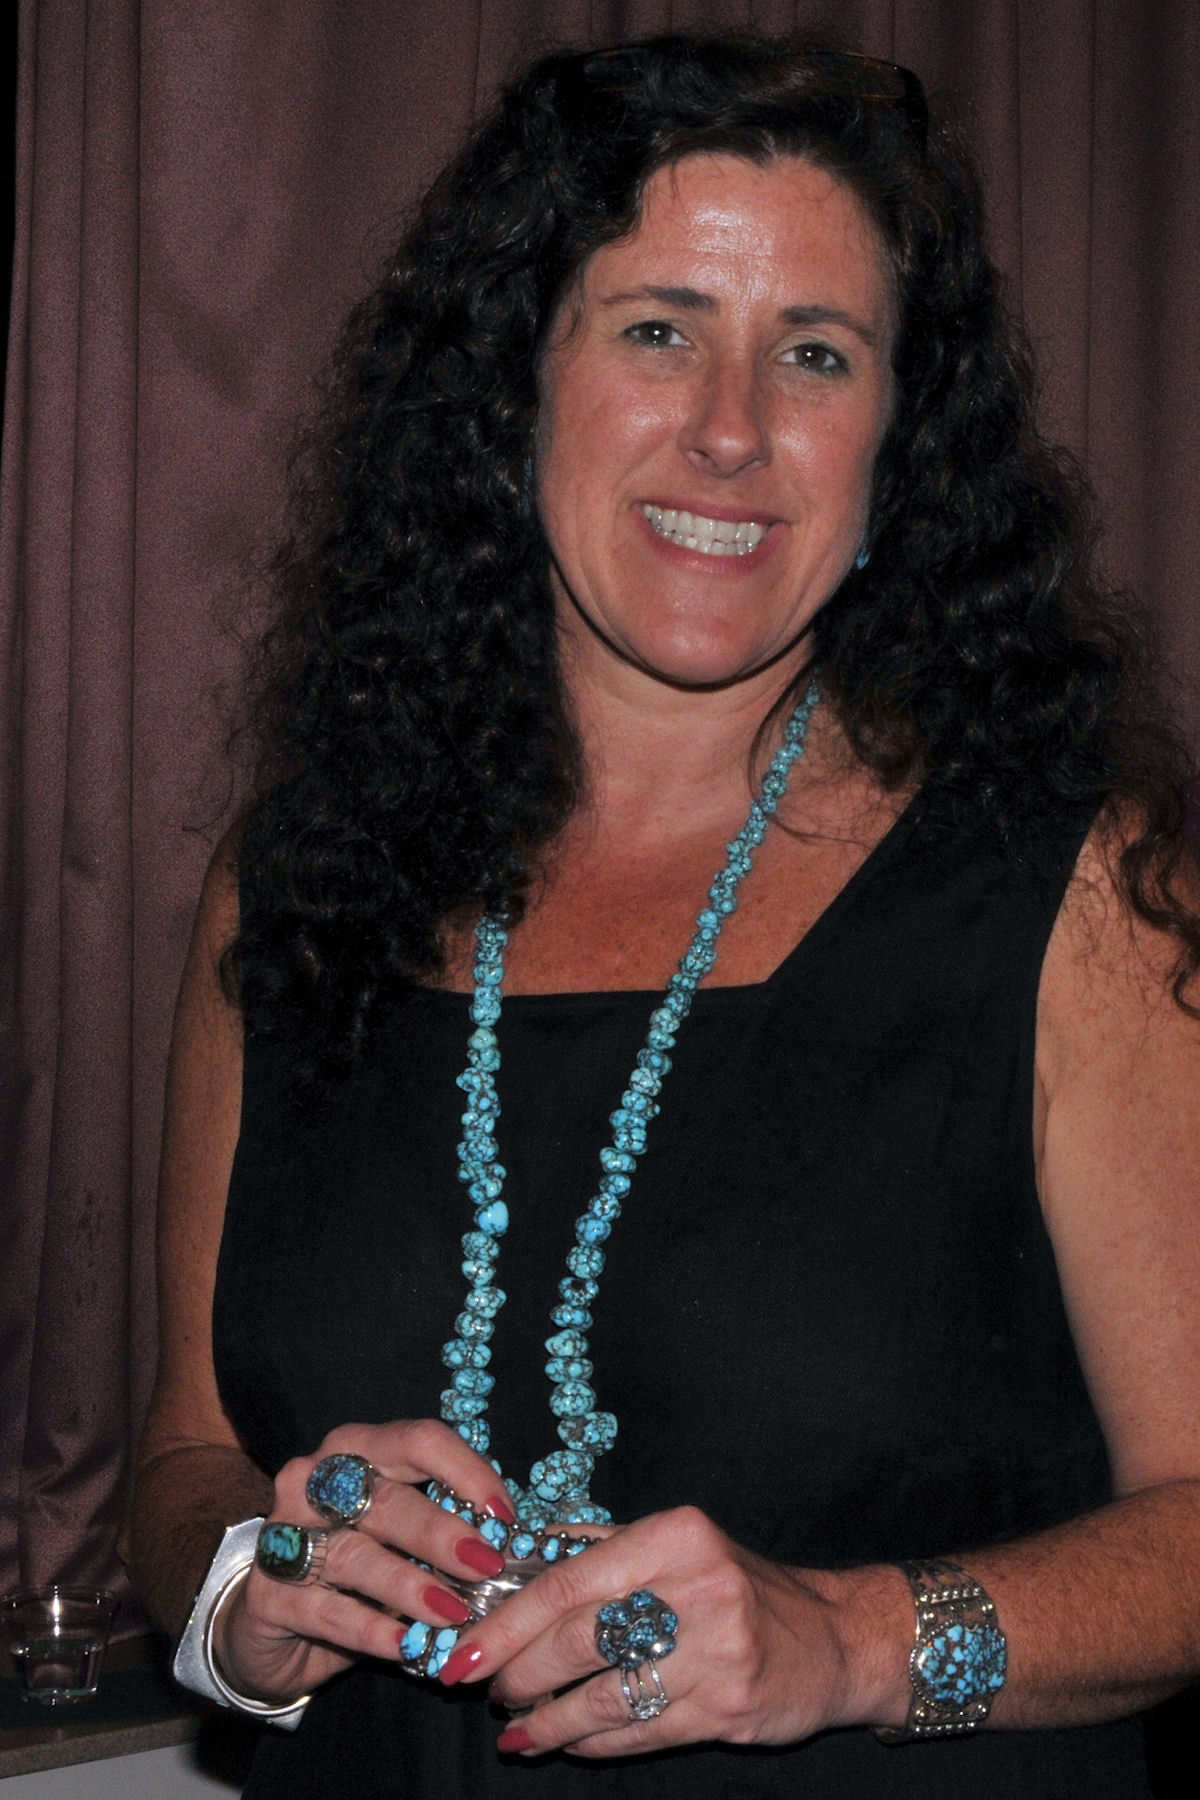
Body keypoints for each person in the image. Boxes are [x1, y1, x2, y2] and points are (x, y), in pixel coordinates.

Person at [125, 33, 1200, 1800]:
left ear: (899, 441)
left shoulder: (1078, 893)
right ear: (513, 389)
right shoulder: (301, 875)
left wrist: (850, 1640)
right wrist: (254, 1582)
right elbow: (183, 1457)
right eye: (656, 330)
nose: (732, 427)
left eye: (817, 353)